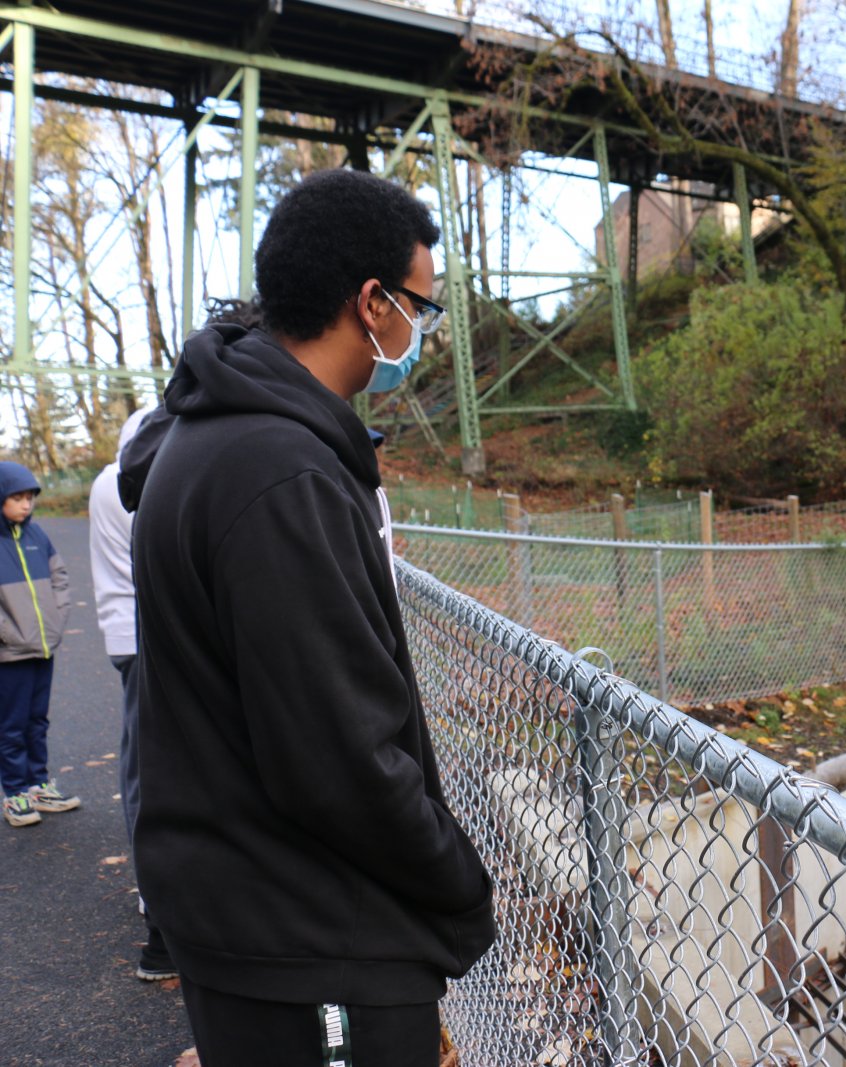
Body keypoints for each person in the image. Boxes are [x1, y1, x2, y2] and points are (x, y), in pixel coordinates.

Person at [122, 169, 495, 1067]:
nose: (421, 334)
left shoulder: (211, 437)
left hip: (252, 913)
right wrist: (459, 885)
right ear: (371, 302)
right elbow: (338, 754)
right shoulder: (278, 471)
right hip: (310, 936)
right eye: (421, 308)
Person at [88, 405, 179, 980]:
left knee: (147, 766)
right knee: (153, 769)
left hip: (135, 630)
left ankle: (165, 916)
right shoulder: (155, 465)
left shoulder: (119, 470)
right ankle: (162, 921)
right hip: (150, 629)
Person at [0, 461, 76, 828]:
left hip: (42, 647)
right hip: (9, 653)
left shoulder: (37, 536)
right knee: (11, 725)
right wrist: (9, 634)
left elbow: (59, 577)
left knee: (36, 720)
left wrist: (56, 620)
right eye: (17, 498)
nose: (26, 505)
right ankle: (14, 792)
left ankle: (37, 785)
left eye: (29, 497)